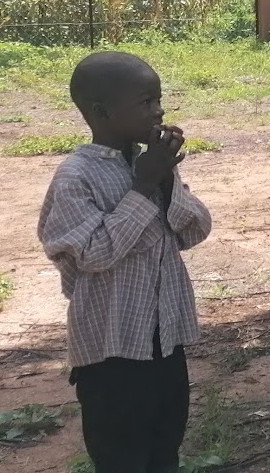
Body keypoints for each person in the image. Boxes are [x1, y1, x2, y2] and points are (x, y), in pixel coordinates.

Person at [39, 52, 211, 473]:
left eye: (159, 99)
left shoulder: (149, 163)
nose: (159, 111)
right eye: (146, 102)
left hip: (165, 341)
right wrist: (143, 186)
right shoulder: (75, 177)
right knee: (121, 457)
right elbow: (93, 253)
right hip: (110, 353)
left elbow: (194, 230)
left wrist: (165, 179)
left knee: (164, 449)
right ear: (102, 112)